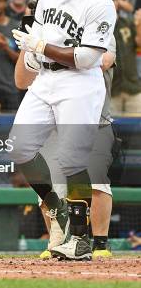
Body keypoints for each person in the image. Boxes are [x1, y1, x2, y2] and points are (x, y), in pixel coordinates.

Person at [9, 0, 117, 260]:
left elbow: (87, 58)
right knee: (19, 147)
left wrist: (41, 46)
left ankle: (81, 240)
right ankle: (59, 210)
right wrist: (31, 52)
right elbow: (40, 24)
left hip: (79, 83)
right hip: (46, 77)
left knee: (72, 160)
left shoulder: (101, 3)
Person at [14, 34, 117, 259]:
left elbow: (101, 62)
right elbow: (21, 81)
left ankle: (97, 243)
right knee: (49, 187)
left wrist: (45, 48)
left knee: (96, 180)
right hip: (52, 120)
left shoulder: (97, 23)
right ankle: (59, 241)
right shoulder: (44, 27)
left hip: (94, 119)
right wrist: (30, 42)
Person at [111, 0, 141, 114]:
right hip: (111, 91)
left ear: (117, 3)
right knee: (112, 131)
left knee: (137, 130)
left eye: (113, 0)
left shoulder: (128, 23)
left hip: (133, 88)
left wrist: (139, 24)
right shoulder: (97, 27)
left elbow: (139, 43)